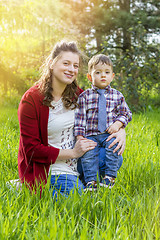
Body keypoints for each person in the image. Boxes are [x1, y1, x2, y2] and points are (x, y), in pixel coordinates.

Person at [18, 41, 126, 197]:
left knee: (114, 157)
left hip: (79, 162)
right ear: (52, 63)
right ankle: (24, 187)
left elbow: (106, 114)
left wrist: (121, 130)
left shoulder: (79, 95)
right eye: (66, 63)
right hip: (50, 168)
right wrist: (73, 152)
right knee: (80, 203)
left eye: (75, 66)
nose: (71, 69)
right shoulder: (31, 99)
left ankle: (81, 182)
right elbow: (31, 150)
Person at [74, 54, 132, 191]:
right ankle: (91, 182)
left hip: (108, 134)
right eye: (98, 72)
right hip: (91, 134)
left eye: (106, 72)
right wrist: (80, 137)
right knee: (88, 156)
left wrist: (118, 124)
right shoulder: (84, 96)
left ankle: (109, 178)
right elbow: (80, 118)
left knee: (113, 149)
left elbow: (126, 113)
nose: (103, 76)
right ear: (90, 77)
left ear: (112, 76)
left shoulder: (117, 95)